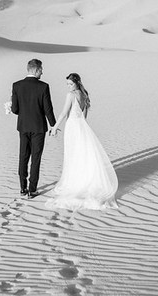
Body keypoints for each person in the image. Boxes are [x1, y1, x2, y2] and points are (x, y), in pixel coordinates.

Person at [47, 72, 118, 211]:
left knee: (73, 155)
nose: (68, 86)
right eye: (67, 84)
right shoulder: (84, 95)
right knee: (82, 154)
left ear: (76, 83)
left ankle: (75, 182)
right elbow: (84, 116)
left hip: (73, 126)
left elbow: (63, 113)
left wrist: (54, 127)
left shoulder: (71, 95)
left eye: (71, 84)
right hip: (82, 127)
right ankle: (83, 179)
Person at [11, 59, 56, 198]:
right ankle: (32, 189)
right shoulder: (43, 86)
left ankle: (22, 188)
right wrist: (53, 125)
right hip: (38, 127)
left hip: (23, 126)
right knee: (36, 158)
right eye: (41, 69)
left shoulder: (17, 85)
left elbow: (15, 109)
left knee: (23, 156)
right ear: (35, 70)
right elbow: (48, 108)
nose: (42, 71)